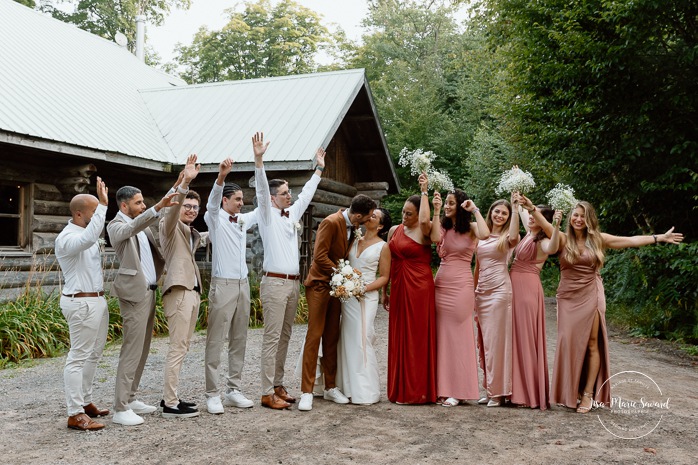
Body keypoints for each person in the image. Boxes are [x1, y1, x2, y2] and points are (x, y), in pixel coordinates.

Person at [551, 201, 684, 413]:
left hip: (591, 292)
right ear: (569, 218)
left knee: (592, 343)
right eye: (575, 215)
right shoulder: (562, 239)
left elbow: (630, 240)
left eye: (582, 216)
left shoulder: (598, 240)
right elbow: (542, 225)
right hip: (568, 296)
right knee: (569, 341)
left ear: (589, 220)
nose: (578, 219)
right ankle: (572, 389)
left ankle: (587, 394)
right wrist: (528, 208)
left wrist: (660, 237)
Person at [252, 132, 325, 410]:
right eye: (284, 193)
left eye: (288, 192)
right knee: (271, 337)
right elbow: (260, 190)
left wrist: (318, 169)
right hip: (274, 284)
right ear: (272, 199)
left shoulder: (292, 214)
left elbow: (306, 194)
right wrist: (259, 161)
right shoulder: (267, 214)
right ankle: (266, 391)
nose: (289, 196)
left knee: (285, 335)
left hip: (293, 284)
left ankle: (278, 384)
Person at [299, 194, 377, 411]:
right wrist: (343, 273)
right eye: (369, 217)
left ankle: (330, 386)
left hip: (336, 288)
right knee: (315, 336)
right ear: (358, 215)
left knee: (332, 335)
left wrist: (342, 279)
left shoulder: (353, 225)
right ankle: (306, 391)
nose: (370, 220)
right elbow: (319, 256)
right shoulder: (331, 222)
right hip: (318, 286)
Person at [107, 186, 177, 426]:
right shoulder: (116, 226)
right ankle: (120, 407)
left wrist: (181, 180)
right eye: (138, 203)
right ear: (124, 206)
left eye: (143, 202)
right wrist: (158, 207)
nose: (143, 206)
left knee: (144, 349)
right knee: (131, 351)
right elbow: (130, 229)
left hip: (150, 292)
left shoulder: (142, 224)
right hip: (134, 296)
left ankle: (131, 397)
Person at [203, 158, 259, 414]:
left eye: (242, 199)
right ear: (225, 201)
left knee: (239, 337)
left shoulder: (243, 220)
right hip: (223, 284)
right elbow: (211, 203)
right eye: (237, 199)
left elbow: (263, 207)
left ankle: (233, 389)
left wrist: (259, 164)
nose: (241, 202)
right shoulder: (214, 218)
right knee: (216, 339)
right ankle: (212, 393)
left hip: (243, 284)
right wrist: (220, 178)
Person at [55, 176, 110, 431]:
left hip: (96, 300)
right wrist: (105, 205)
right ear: (79, 214)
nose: (99, 215)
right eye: (94, 211)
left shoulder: (85, 231)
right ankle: (74, 413)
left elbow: (91, 238)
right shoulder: (67, 238)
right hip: (80, 303)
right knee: (78, 357)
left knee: (94, 355)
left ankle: (86, 401)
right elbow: (88, 239)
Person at [385, 173, 442, 404]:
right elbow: (387, 265)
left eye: (409, 213)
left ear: (419, 215)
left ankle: (418, 390)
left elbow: (433, 230)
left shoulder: (424, 231)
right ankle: (399, 387)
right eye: (403, 212)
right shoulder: (393, 231)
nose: (404, 216)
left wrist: (424, 191)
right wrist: (384, 291)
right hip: (398, 285)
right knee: (399, 335)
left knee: (416, 336)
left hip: (419, 287)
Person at [434, 189, 489, 407]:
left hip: (461, 286)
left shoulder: (472, 228)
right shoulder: (443, 227)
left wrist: (474, 209)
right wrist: (437, 209)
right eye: (446, 203)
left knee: (459, 336)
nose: (447, 206)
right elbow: (432, 237)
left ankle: (460, 389)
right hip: (441, 283)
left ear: (460, 206)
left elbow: (486, 234)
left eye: (450, 203)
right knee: (443, 336)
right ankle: (443, 387)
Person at [158, 154, 203, 418]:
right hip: (178, 291)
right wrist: (183, 182)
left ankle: (173, 397)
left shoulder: (188, 231)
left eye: (195, 207)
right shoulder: (169, 225)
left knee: (184, 346)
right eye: (187, 205)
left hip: (192, 292)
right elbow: (170, 210)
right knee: (177, 347)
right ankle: (169, 403)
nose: (191, 210)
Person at [509, 194, 562, 410]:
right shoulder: (529, 232)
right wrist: (517, 185)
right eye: (532, 213)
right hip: (514, 286)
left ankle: (527, 394)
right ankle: (514, 389)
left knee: (525, 338)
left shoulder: (545, 240)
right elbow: (522, 209)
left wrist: (556, 226)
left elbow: (554, 247)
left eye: (536, 215)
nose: (531, 216)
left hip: (527, 288)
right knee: (515, 338)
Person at [336, 208, 392, 405]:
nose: (370, 217)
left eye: (374, 216)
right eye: (370, 214)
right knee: (348, 337)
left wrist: (364, 288)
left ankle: (365, 389)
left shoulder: (383, 247)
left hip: (367, 296)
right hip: (349, 296)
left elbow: (384, 276)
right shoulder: (355, 236)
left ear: (381, 226)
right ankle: (346, 386)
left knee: (363, 337)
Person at [473, 197, 520, 407]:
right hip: (481, 292)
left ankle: (499, 392)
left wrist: (516, 208)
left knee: (497, 343)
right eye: (497, 212)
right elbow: (477, 266)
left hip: (499, 292)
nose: (499, 216)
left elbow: (515, 235)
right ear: (490, 212)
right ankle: (489, 388)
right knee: (484, 343)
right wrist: (473, 292)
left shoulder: (509, 237)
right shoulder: (481, 234)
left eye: (504, 213)